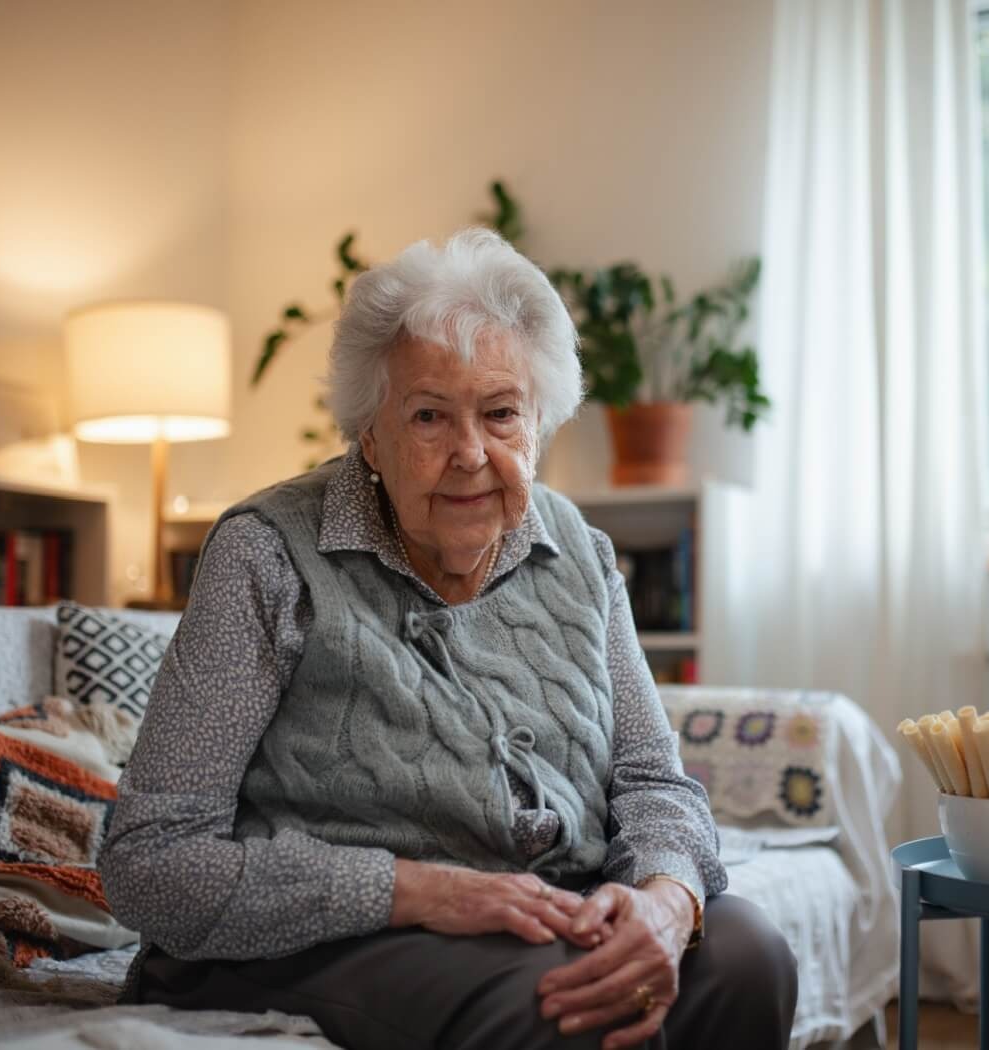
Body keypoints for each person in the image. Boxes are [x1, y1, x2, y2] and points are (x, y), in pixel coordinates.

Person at [99, 228, 797, 1050]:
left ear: (539, 424)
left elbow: (652, 778)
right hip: (328, 936)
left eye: (501, 414)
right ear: (369, 432)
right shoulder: (268, 551)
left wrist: (665, 895)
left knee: (748, 956)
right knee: (567, 1003)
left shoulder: (578, 549)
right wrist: (419, 891)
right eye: (429, 415)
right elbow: (150, 861)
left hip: (530, 921)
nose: (470, 454)